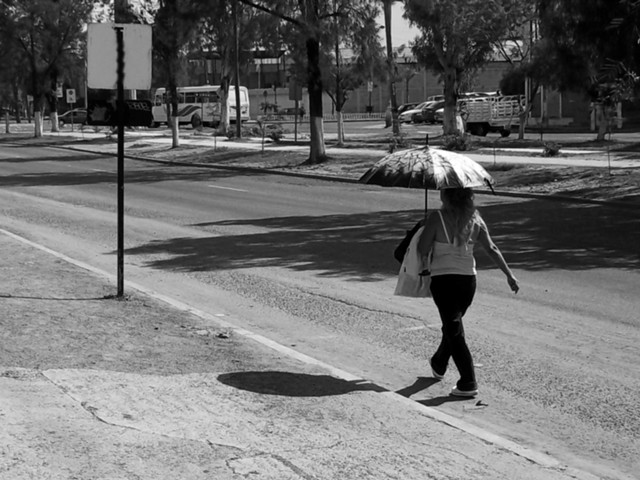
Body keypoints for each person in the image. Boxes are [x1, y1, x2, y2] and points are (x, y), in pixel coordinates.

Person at [418, 188, 519, 397]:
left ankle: (468, 381)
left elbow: (422, 248)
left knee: (454, 329)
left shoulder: (436, 217)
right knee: (453, 325)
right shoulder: (475, 218)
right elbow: (491, 248)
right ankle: (439, 362)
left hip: (443, 280)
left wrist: (423, 228)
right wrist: (509, 275)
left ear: (446, 196)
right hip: (468, 281)